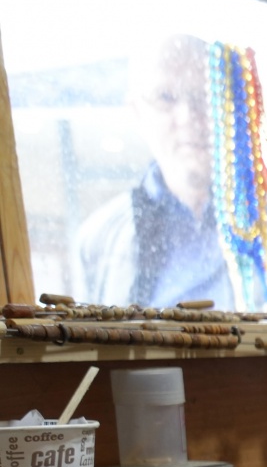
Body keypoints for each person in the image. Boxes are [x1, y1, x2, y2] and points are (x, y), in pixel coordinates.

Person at [75, 34, 233, 308]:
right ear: (136, 112)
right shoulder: (99, 240)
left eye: (205, 94)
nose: (189, 116)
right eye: (165, 97)